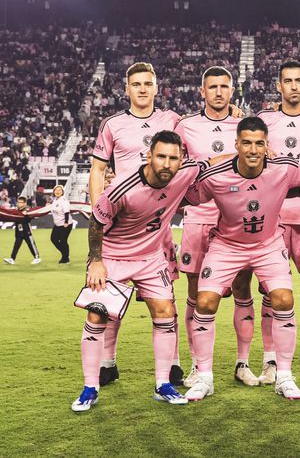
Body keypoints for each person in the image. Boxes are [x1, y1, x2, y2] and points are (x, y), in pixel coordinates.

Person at [184, 117, 300, 401]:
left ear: (267, 145)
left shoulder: (284, 168)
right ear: (236, 145)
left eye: (259, 143)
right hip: (227, 245)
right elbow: (186, 195)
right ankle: (204, 377)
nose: (253, 150)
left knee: (284, 299)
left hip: (267, 244)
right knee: (204, 302)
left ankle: (284, 376)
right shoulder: (216, 175)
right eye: (246, 143)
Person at [71, 130, 210, 412]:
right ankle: (90, 388)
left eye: (173, 158)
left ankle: (163, 384)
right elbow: (96, 222)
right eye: (161, 156)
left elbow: (215, 161)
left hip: (151, 257)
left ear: (181, 160)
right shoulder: (122, 188)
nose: (167, 164)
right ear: (149, 156)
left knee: (165, 312)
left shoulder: (184, 173)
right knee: (97, 314)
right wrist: (96, 260)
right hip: (114, 256)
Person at [233, 61, 300, 384]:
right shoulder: (265, 120)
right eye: (288, 81)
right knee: (271, 293)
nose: (293, 86)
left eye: (298, 81)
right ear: (279, 86)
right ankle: (270, 361)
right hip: (274, 217)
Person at [89, 62, 182, 388]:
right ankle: (107, 362)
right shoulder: (113, 124)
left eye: (148, 83)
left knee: (165, 296)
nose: (142, 89)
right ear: (126, 89)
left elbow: (195, 144)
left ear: (157, 87)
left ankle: (173, 364)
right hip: (122, 222)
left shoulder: (172, 120)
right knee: (111, 296)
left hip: (157, 224)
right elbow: (98, 169)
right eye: (136, 84)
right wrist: (99, 211)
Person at [173, 66, 245, 388]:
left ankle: (243, 363)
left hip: (235, 219)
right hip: (198, 217)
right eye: (212, 87)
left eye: (224, 86)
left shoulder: (244, 125)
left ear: (232, 90)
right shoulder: (185, 126)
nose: (218, 92)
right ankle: (197, 365)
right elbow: (177, 166)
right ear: (202, 91)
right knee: (196, 294)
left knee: (242, 289)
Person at [3, 196, 41, 265]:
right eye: (18, 202)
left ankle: (37, 258)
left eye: (21, 202)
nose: (19, 203)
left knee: (31, 244)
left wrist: (26, 214)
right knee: (16, 246)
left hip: (26, 231)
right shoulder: (16, 210)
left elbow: (31, 217)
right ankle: (12, 259)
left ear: (24, 203)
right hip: (18, 231)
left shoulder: (28, 210)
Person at [50, 185, 73, 264]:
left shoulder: (64, 200)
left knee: (63, 241)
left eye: (59, 190)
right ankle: (65, 254)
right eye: (56, 190)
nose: (57, 191)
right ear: (53, 192)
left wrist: (66, 222)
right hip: (57, 224)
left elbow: (66, 212)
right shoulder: (55, 201)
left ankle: (65, 258)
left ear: (62, 192)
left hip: (65, 224)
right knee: (53, 239)